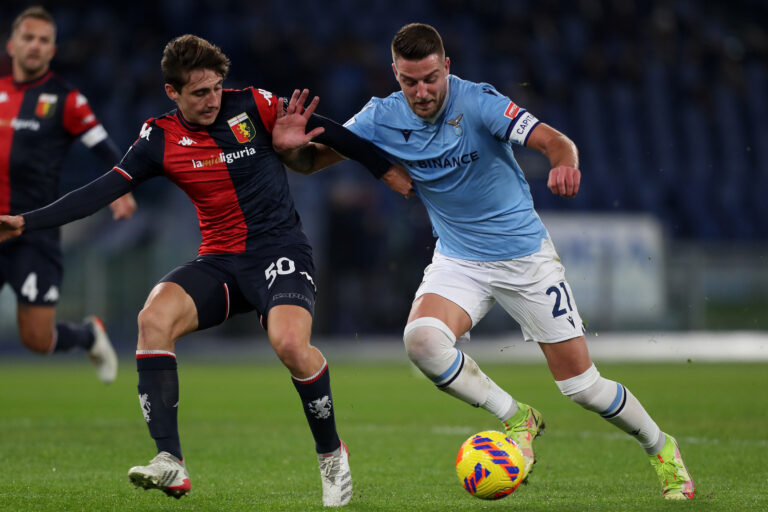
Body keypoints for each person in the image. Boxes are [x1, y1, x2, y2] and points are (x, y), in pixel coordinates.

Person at [0, 34, 411, 506]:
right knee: (153, 318)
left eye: (216, 87)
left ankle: (331, 453)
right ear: (172, 92)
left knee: (290, 345)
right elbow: (102, 190)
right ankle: (169, 460)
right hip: (220, 260)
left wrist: (385, 171)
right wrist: (26, 222)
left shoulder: (253, 105)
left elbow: (331, 132)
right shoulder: (158, 138)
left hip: (280, 251)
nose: (212, 99)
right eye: (199, 92)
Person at [316, 23, 694, 501]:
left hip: (525, 261)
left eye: (431, 78)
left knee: (583, 388)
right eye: (410, 82)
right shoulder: (381, 116)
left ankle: (662, 448)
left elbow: (556, 141)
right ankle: (517, 418)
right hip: (459, 260)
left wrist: (565, 163)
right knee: (423, 342)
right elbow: (315, 158)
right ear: (395, 74)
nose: (422, 91)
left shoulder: (479, 102)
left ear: (446, 67)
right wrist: (289, 143)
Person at [0, 6, 136, 383]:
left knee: (36, 339)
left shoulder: (67, 100)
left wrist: (120, 190)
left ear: (52, 50)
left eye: (43, 40)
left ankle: (88, 335)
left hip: (34, 232)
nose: (35, 45)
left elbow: (104, 147)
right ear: (12, 45)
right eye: (28, 37)